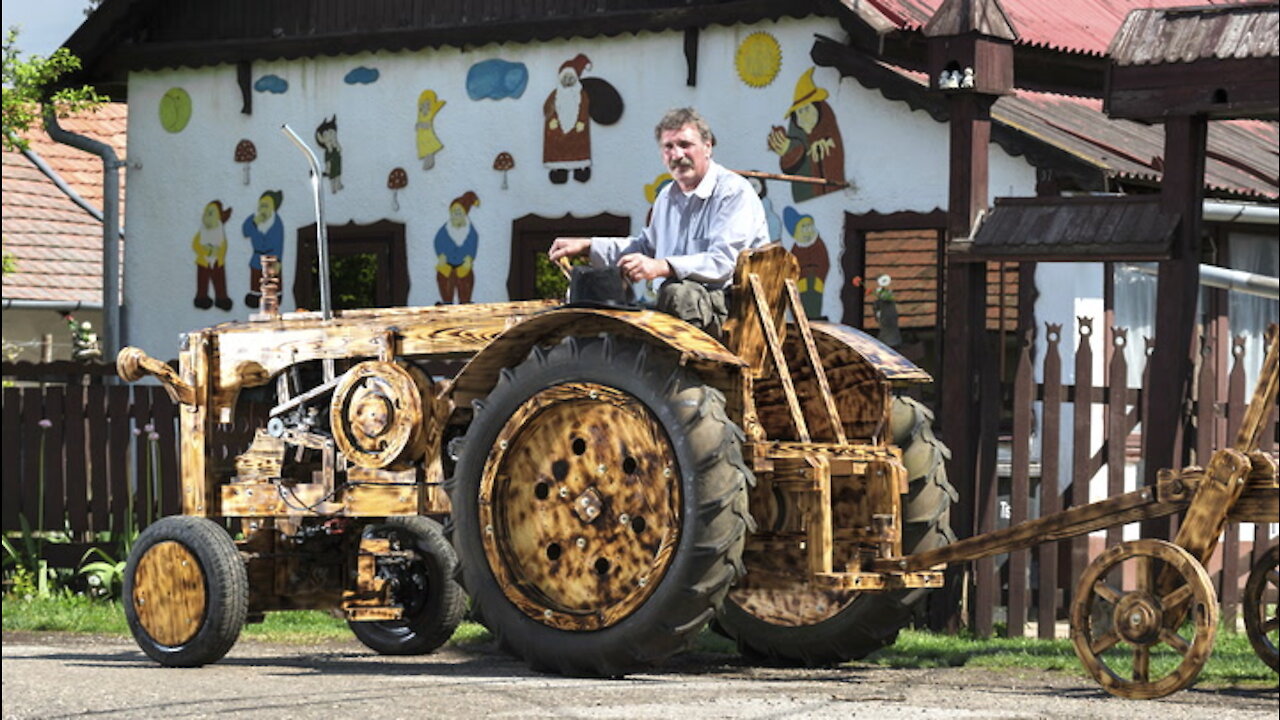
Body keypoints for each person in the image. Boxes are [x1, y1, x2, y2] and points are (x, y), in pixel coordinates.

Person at [549, 107, 768, 337]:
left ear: (708, 146)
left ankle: (686, 370)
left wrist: (660, 266)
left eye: (685, 144)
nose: (676, 154)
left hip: (733, 313)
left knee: (676, 294)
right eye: (668, 147)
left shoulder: (733, 192)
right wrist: (588, 246)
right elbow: (645, 248)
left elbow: (723, 262)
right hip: (686, 312)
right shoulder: (667, 197)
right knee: (612, 303)